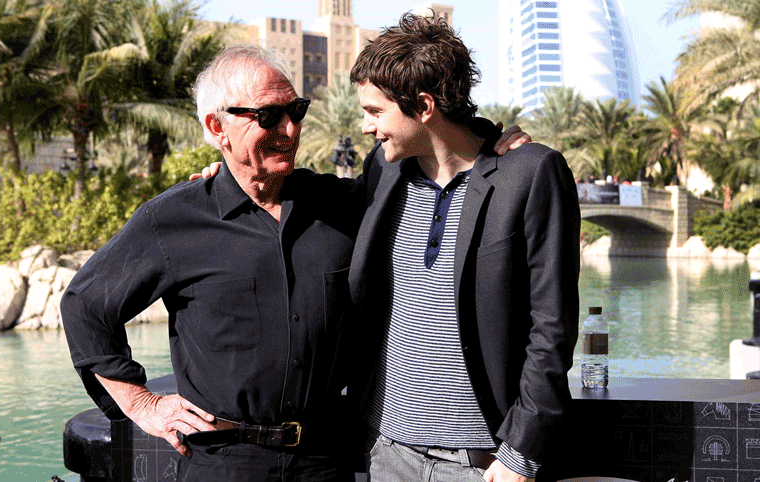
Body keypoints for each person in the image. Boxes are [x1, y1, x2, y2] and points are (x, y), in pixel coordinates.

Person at [61, 43, 528, 481]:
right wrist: (141, 402)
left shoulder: (346, 203)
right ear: (217, 128)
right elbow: (85, 307)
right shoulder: (172, 220)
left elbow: (432, 149)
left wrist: (492, 147)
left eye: (295, 111)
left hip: (329, 459)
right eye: (268, 116)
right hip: (222, 463)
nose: (289, 130)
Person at [345, 13, 580, 482]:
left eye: (375, 112)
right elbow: (319, 212)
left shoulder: (531, 174)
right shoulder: (384, 170)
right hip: (384, 451)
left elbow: (552, 326)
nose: (367, 127)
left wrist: (521, 454)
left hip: (481, 464)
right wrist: (226, 181)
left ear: (424, 106)